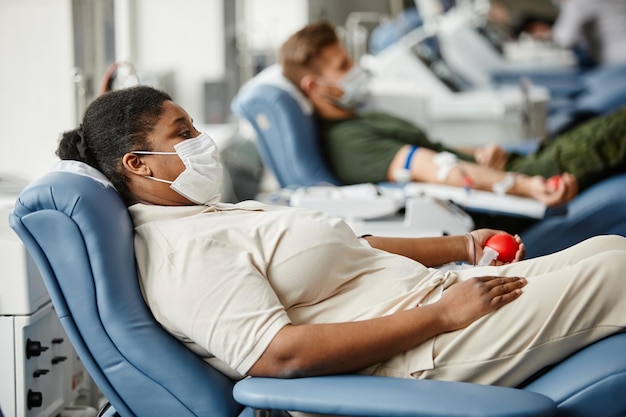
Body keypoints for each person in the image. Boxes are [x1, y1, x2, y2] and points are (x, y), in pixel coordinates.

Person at [55, 85, 626, 390]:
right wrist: (443, 316)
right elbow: (277, 357)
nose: (203, 140)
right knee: (618, 273)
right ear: (140, 164)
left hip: (439, 296)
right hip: (415, 354)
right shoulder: (178, 254)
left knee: (609, 250)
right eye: (184, 133)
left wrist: (460, 247)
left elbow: (351, 249)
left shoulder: (207, 213)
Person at [279, 21, 626, 207]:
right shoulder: (349, 142)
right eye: (343, 66)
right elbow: (439, 169)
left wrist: (480, 153)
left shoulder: (357, 116)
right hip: (509, 194)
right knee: (614, 131)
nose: (355, 69)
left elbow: (440, 151)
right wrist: (527, 185)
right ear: (314, 86)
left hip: (504, 173)